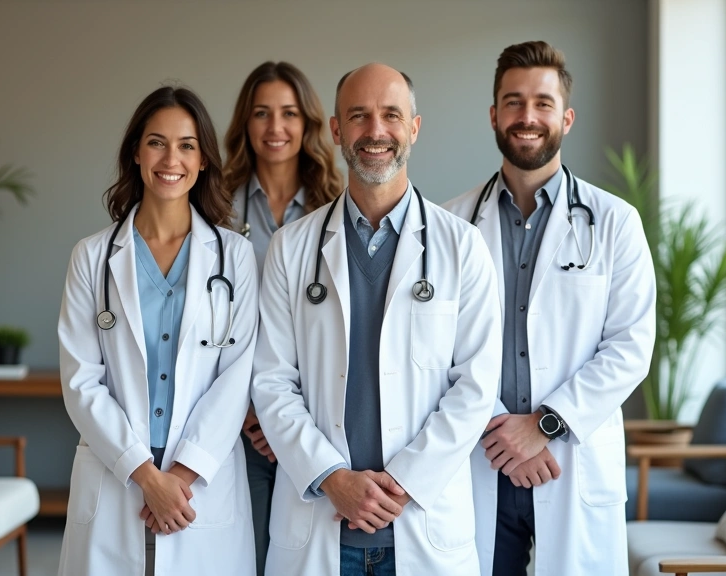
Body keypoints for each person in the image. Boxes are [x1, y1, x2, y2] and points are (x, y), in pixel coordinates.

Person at [251, 63, 502, 576]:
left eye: (391, 115)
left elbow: (475, 385)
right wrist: (332, 478)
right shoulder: (291, 248)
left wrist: (405, 481)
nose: (376, 131)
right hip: (320, 518)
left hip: (421, 524)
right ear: (338, 130)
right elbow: (272, 381)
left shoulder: (462, 247)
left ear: (414, 127)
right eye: (359, 116)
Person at [443, 41, 656, 576]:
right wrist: (503, 430)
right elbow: (435, 344)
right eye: (513, 102)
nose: (527, 117)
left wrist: (546, 424)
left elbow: (630, 347)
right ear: (494, 115)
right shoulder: (449, 225)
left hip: (570, 463)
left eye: (542, 103)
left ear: (566, 117)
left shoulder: (614, 222)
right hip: (482, 459)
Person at [57, 86, 257, 576]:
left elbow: (237, 376)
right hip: (117, 468)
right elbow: (81, 383)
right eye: (157, 142)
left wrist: (179, 478)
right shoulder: (92, 257)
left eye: (187, 144)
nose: (172, 158)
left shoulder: (235, 256)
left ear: (205, 158)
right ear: (136, 152)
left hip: (201, 476)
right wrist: (146, 476)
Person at [222, 61, 343, 576]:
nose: (276, 128)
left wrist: (284, 419)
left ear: (309, 124)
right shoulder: (214, 205)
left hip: (308, 418)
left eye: (289, 114)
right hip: (233, 419)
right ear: (244, 125)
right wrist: (251, 411)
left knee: (303, 559)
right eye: (262, 113)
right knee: (242, 556)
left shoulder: (336, 206)